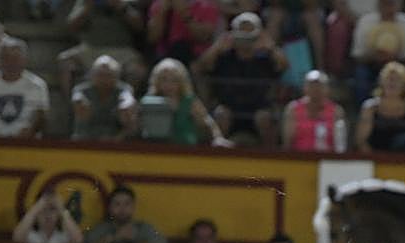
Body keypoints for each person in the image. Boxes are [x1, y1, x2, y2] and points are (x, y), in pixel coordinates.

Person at [195, 12, 287, 147]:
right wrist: (217, 47)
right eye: (241, 34)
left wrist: (271, 47)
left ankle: (270, 157)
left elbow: (284, 66)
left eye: (250, 35)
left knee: (265, 118)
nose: (246, 40)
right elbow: (200, 67)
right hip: (229, 107)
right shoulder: (224, 57)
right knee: (221, 114)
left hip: (258, 108)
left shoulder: (265, 58)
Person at [349, 0, 405, 107]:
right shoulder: (365, 21)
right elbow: (357, 55)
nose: (389, 6)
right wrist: (376, 56)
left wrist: (395, 57)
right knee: (361, 75)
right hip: (372, 64)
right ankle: (364, 112)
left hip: (402, 64)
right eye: (385, 3)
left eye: (392, 3)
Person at [140, 57, 227, 146]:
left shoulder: (189, 101)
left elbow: (208, 123)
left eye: (174, 80)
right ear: (157, 81)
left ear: (181, 81)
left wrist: (218, 138)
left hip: (185, 150)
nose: (168, 85)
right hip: (155, 150)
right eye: (164, 79)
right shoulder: (149, 101)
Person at [0, 37, 48, 138]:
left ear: (25, 60)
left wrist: (30, 131)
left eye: (16, 58)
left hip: (28, 144)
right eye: (6, 58)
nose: (11, 62)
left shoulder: (37, 85)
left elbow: (41, 115)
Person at [356, 60, 405, 153]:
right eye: (389, 79)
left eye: (397, 79)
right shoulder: (370, 107)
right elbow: (361, 141)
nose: (392, 83)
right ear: (381, 83)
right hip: (378, 158)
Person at [70, 54, 137, 141]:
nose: (104, 79)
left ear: (117, 77)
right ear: (92, 75)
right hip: (86, 138)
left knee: (129, 114)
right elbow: (77, 98)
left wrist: (126, 106)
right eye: (100, 75)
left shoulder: (123, 89)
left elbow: (128, 98)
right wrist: (80, 102)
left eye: (109, 75)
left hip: (116, 139)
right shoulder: (81, 90)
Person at [84, 185, 167, 243]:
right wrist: (115, 237)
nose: (122, 209)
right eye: (117, 204)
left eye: (127, 204)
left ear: (133, 207)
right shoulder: (102, 227)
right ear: (109, 208)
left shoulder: (143, 227)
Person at [282, 69, 346, 152]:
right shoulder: (293, 109)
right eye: (312, 85)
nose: (316, 89)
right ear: (305, 87)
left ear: (327, 88)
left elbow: (340, 143)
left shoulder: (337, 110)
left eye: (319, 85)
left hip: (328, 158)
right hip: (300, 158)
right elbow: (287, 142)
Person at [12, 190, 83, 243]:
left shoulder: (63, 238)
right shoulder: (30, 237)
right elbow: (17, 238)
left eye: (52, 209)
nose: (47, 215)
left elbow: (78, 240)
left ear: (58, 215)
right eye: (43, 210)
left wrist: (61, 209)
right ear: (36, 214)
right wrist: (37, 206)